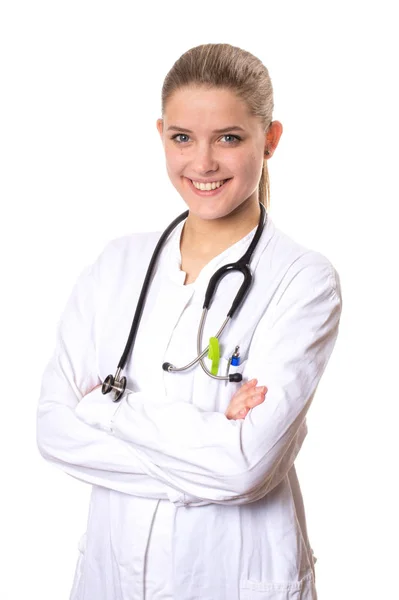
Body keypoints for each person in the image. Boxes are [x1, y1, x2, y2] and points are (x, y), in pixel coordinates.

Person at [36, 43, 342, 600]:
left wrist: (105, 409)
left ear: (270, 141)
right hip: (111, 577)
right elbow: (54, 431)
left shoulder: (302, 280)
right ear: (161, 134)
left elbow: (244, 470)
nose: (202, 163)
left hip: (233, 575)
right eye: (182, 137)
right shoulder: (117, 266)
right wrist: (210, 442)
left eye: (229, 137)